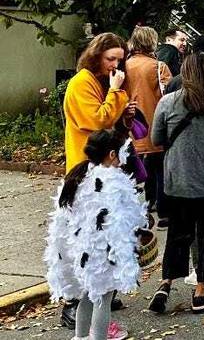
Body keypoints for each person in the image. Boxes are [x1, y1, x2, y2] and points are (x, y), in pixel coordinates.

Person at [148, 52, 204, 316]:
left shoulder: (168, 102)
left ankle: (166, 283)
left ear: (185, 73)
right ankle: (200, 291)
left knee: (178, 233)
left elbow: (156, 138)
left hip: (179, 180)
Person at [45, 129, 145, 340]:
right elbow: (123, 221)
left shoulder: (78, 175)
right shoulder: (113, 181)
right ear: (111, 154)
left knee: (87, 297)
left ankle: (80, 338)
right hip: (104, 252)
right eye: (121, 153)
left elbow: (63, 221)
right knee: (103, 298)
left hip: (81, 251)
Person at [63, 33, 132, 173]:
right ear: (96, 57)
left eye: (119, 60)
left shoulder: (100, 80)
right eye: (110, 59)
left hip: (103, 161)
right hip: (86, 163)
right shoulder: (81, 82)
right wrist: (114, 91)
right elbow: (99, 121)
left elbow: (110, 120)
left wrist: (124, 114)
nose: (115, 65)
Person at [123, 27, 172, 217]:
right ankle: (162, 210)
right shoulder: (158, 67)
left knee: (132, 169)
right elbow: (167, 96)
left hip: (130, 125)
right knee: (159, 169)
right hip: (154, 124)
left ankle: (134, 210)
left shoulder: (123, 66)